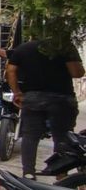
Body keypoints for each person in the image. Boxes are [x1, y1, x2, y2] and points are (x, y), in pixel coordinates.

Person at [5, 38, 84, 178]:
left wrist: (17, 92)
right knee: (62, 136)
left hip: (32, 98)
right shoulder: (64, 46)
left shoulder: (23, 48)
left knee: (30, 136)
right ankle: (61, 174)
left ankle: (28, 173)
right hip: (61, 98)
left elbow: (10, 70)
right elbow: (76, 73)